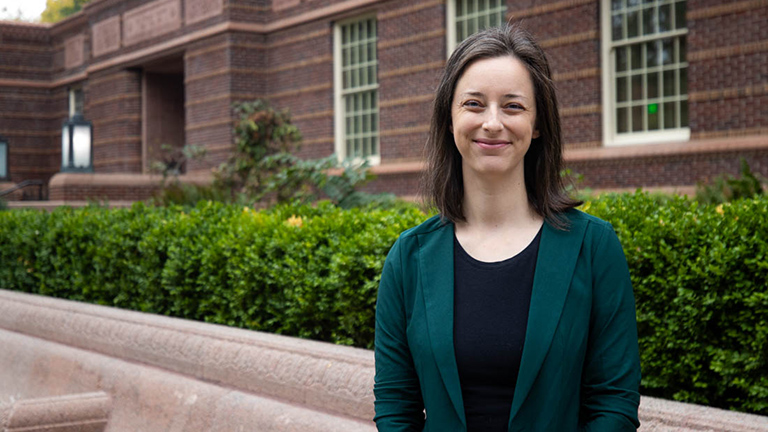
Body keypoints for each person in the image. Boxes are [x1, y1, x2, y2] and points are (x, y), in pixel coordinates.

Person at [373, 24, 641, 432]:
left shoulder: (592, 248)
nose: (493, 123)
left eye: (513, 106)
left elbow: (614, 402)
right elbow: (396, 408)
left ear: (537, 125)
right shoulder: (408, 259)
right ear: (450, 119)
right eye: (474, 104)